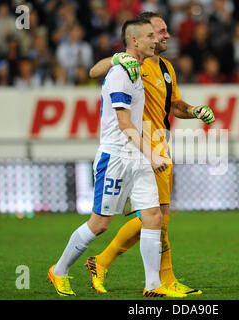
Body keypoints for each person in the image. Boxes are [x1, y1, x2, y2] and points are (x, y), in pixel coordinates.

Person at [47, 16, 185, 298]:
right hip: (117, 157)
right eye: (150, 36)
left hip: (138, 153)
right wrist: (152, 154)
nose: (156, 40)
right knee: (99, 224)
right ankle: (59, 270)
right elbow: (124, 125)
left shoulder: (140, 69)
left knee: (153, 216)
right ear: (135, 40)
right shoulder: (121, 72)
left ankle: (153, 286)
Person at [87, 11, 215, 296]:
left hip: (161, 144)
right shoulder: (133, 63)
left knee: (160, 217)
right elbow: (94, 72)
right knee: (156, 218)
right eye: (161, 31)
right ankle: (161, 280)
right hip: (140, 147)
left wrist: (193, 111)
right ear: (145, 35)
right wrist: (117, 58)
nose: (167, 35)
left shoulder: (166, 67)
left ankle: (102, 262)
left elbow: (175, 104)